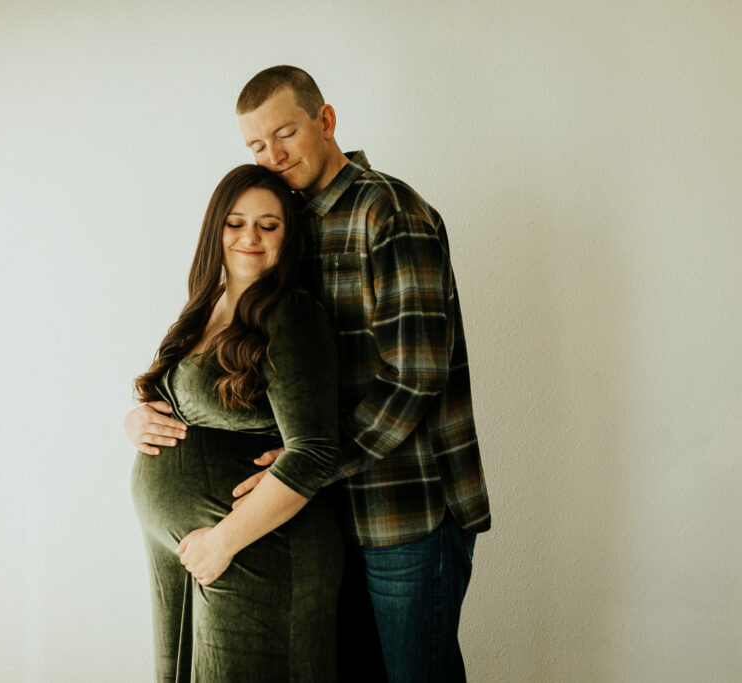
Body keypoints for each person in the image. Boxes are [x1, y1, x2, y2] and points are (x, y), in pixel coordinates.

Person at [125, 66, 492, 682]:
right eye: (255, 145)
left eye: (285, 133)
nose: (272, 155)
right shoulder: (291, 220)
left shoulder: (388, 212)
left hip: (406, 507)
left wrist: (314, 467)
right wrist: (149, 412)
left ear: (325, 121)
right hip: (325, 516)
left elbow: (415, 378)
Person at [129, 164, 344, 681]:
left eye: (268, 226)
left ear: (287, 238)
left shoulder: (290, 313)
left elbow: (314, 451)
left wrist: (221, 541)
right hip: (192, 553)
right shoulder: (205, 305)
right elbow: (180, 400)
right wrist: (137, 419)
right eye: (235, 222)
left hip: (252, 552)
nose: (250, 237)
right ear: (214, 230)